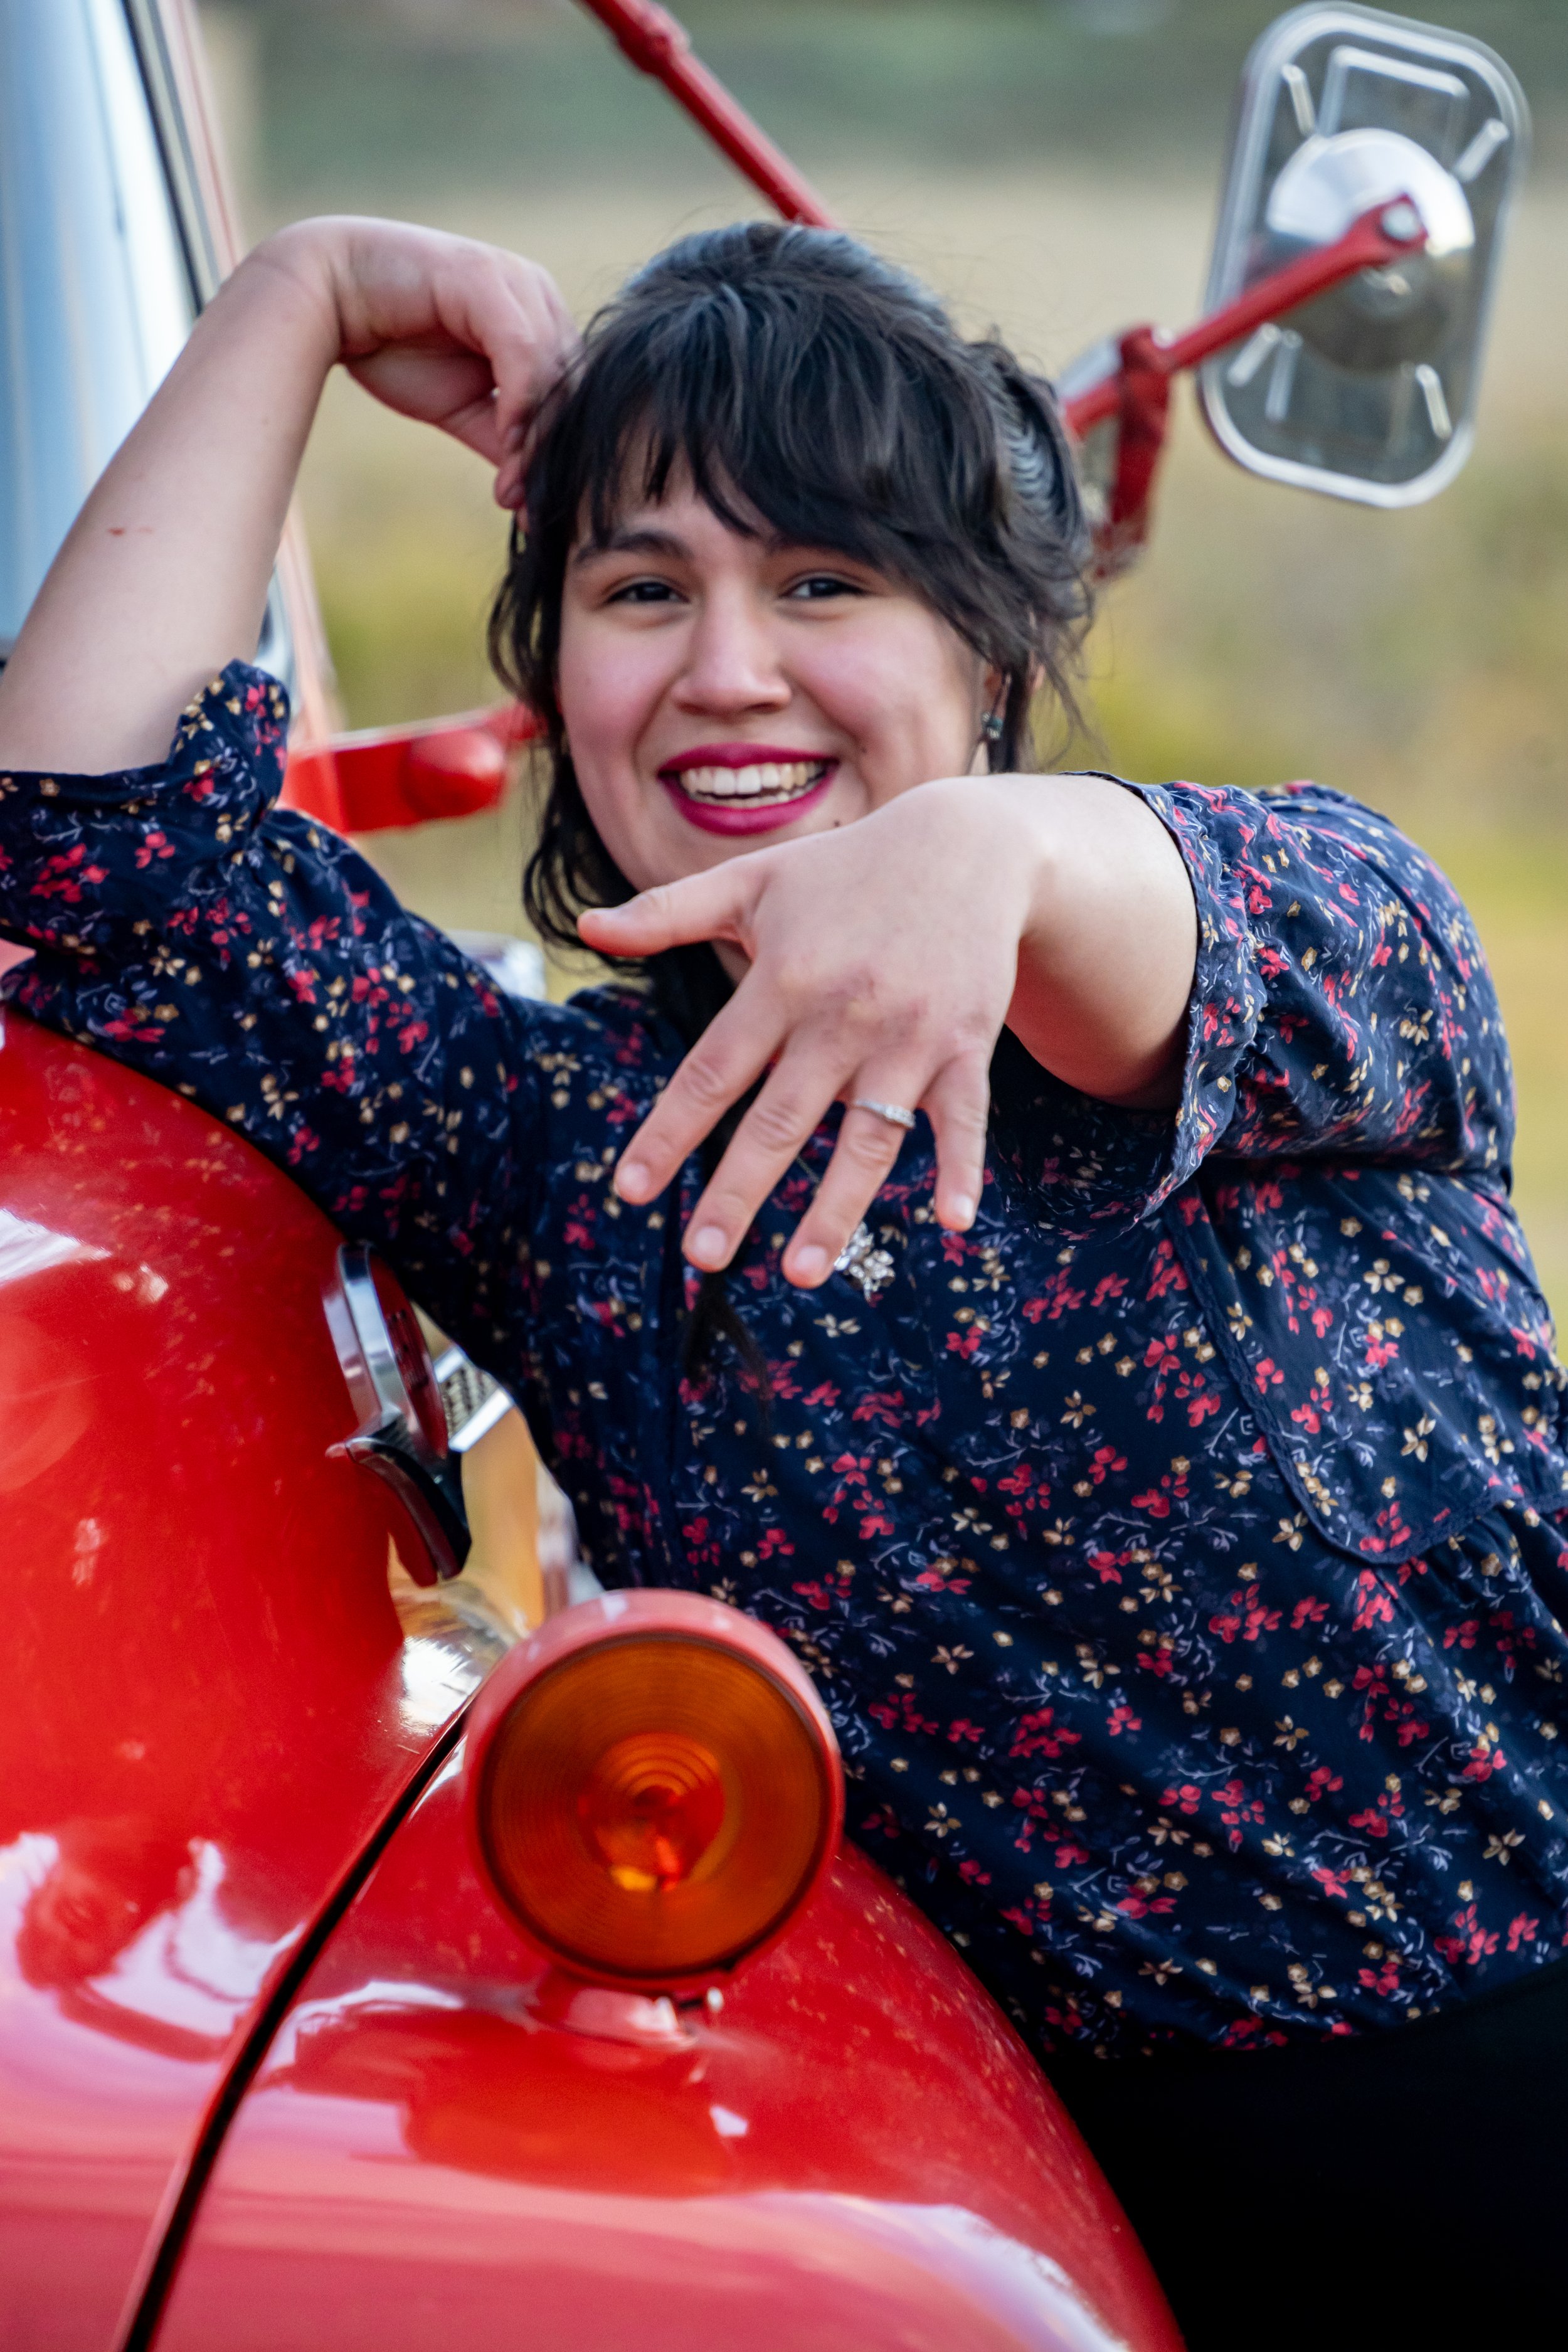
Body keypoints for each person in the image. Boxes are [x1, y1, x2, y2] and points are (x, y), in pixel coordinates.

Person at [2, 213, 1566, 2344]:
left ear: (987, 655)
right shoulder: (561, 1152)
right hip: (1013, 2228)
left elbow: (1162, 910)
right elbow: (89, 840)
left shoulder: (1313, 974)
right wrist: (297, 299)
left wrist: (990, 853)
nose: (726, 667)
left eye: (824, 582)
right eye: (642, 591)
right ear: (556, 683)